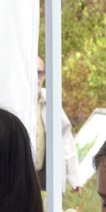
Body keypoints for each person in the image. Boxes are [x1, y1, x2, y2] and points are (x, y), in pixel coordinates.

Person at [35, 56, 83, 194]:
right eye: (33, 72)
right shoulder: (16, 101)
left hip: (44, 177)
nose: (37, 77)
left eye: (40, 72)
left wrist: (74, 178)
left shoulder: (51, 100)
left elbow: (65, 138)